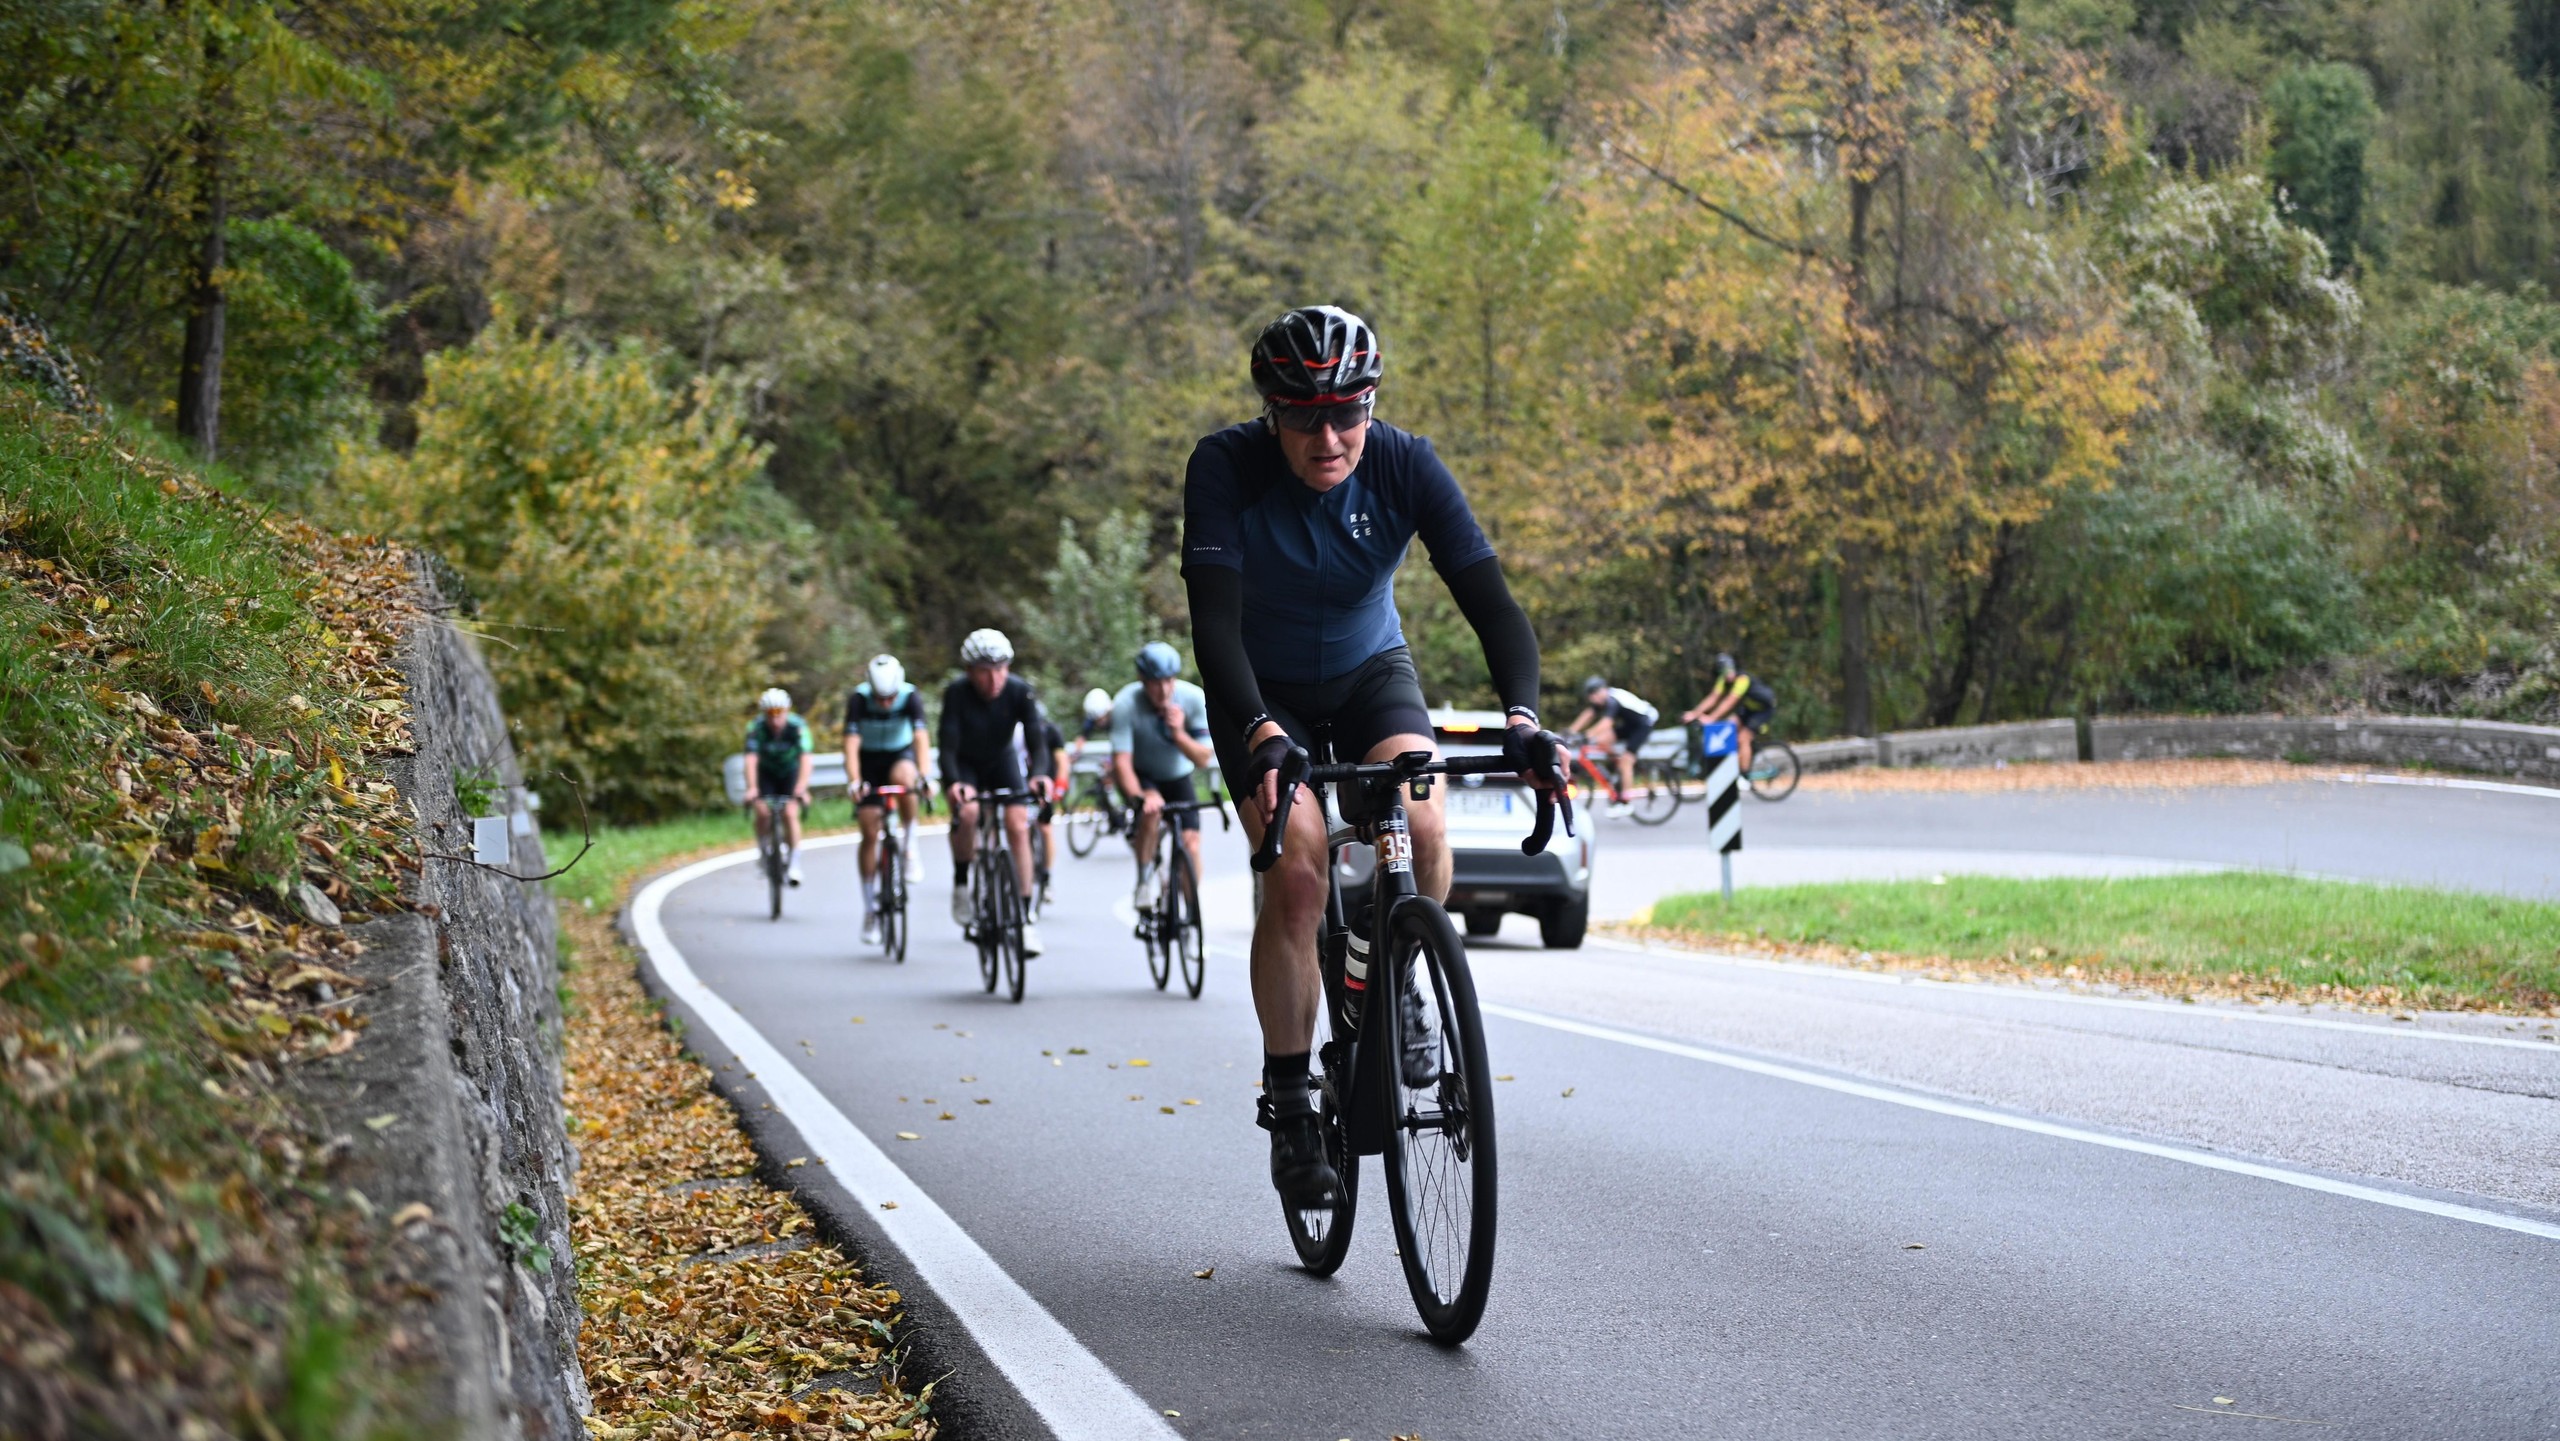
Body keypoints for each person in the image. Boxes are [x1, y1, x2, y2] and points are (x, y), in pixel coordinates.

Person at [1181, 304, 1567, 1210]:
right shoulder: (1224, 465)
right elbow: (1214, 625)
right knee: (1299, 867)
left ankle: (1393, 974)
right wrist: (1258, 729)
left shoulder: (1404, 462)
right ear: (1271, 413)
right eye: (1304, 417)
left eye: (1347, 414)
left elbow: (1493, 605)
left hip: (1368, 673)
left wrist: (1523, 718)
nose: (1329, 438)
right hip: (1260, 692)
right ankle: (1290, 1098)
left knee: (1423, 822)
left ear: (1371, 405)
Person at [938, 629, 1056, 956]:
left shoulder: (1019, 690)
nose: (994, 679)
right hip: (966, 764)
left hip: (1002, 761)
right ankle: (962, 882)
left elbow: (1037, 741)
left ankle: (1025, 918)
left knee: (1018, 824)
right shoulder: (957, 693)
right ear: (969, 671)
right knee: (969, 813)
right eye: (985, 672)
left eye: (1001, 669)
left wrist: (1039, 775)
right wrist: (954, 783)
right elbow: (947, 747)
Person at [1112, 642, 1214, 910]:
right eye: (1156, 683)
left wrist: (1178, 733)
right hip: (1143, 776)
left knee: (1192, 845)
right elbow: (1121, 763)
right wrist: (1140, 796)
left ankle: (1191, 913)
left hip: (1178, 777)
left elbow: (1203, 759)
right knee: (1151, 813)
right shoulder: (1126, 703)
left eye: (1169, 680)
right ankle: (1143, 883)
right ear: (1143, 680)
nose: (1164, 690)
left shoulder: (1192, 698)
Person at [844, 654, 933, 943]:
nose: (885, 704)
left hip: (898, 754)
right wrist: (854, 780)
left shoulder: (910, 695)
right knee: (869, 830)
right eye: (879, 699)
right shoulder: (859, 699)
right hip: (869, 762)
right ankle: (870, 909)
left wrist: (925, 776)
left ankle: (910, 845)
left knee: (906, 779)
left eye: (890, 698)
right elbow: (851, 743)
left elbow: (920, 737)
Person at [744, 687, 814, 886]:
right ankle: (763, 853)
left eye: (779, 714)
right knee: (762, 812)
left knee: (790, 813)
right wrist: (752, 788)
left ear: (787, 711)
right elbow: (750, 759)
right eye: (770, 715)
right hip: (766, 773)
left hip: (789, 772)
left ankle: (794, 863)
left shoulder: (797, 726)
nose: (775, 720)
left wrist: (801, 787)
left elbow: (806, 758)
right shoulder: (756, 728)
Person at [1563, 675, 1659, 817]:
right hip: (1631, 724)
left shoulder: (1613, 701)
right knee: (1602, 740)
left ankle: (1626, 802)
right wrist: (1571, 731)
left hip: (1644, 723)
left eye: (1593, 695)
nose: (1592, 699)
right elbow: (1588, 714)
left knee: (1627, 760)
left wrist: (1586, 735)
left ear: (1602, 691)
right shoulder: (1602, 699)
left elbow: (1606, 723)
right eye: (1590, 696)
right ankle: (1618, 764)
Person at [1682, 653, 1776, 775]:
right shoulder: (1723, 680)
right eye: (1723, 672)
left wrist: (1711, 718)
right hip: (1748, 708)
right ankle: (1737, 763)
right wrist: (1694, 713)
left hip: (1762, 710)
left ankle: (1744, 774)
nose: (1727, 674)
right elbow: (1712, 698)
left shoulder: (1742, 679)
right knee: (1728, 726)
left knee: (1743, 738)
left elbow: (1729, 702)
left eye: (1728, 670)